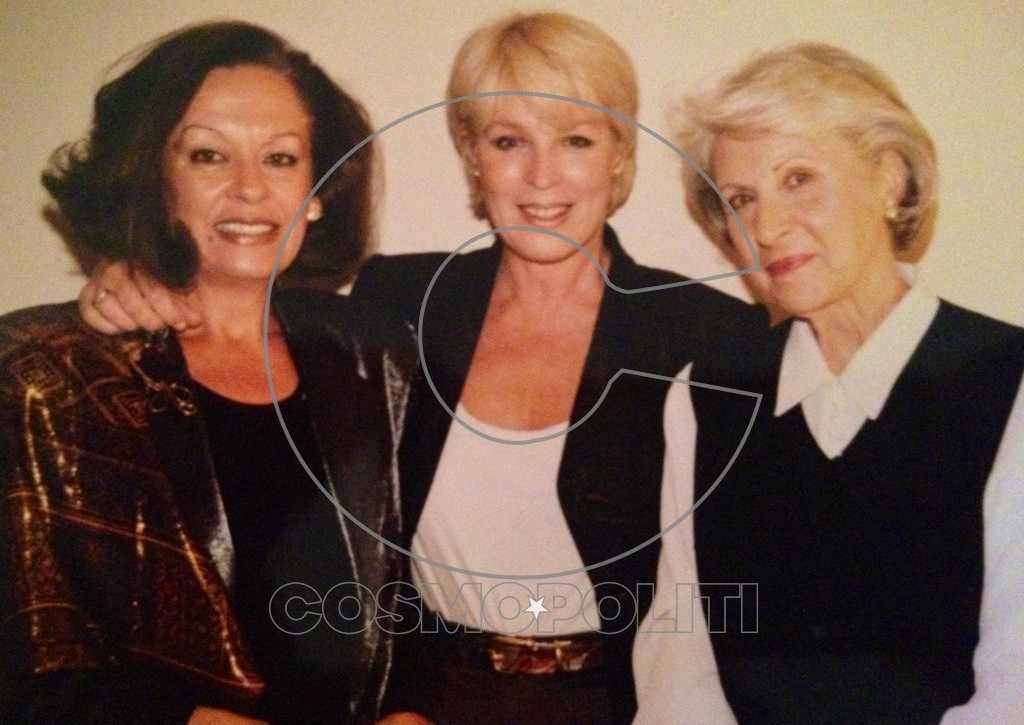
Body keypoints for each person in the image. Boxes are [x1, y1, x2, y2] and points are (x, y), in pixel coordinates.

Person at [75, 12, 753, 724]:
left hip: (614, 703)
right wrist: (133, 272)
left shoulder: (704, 333)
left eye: (577, 140)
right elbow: (240, 303)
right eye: (508, 141)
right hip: (426, 702)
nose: (541, 174)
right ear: (471, 155)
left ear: (618, 155)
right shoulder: (398, 303)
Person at [0, 21, 415, 724]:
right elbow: (26, 660)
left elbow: (426, 588)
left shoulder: (373, 356)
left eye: (280, 158)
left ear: (317, 190)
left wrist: (414, 706)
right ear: (156, 181)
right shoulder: (46, 375)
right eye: (208, 155)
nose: (250, 189)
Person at [638, 42, 1024, 723]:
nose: (766, 227)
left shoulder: (1006, 385)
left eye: (798, 178)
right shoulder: (705, 398)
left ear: (889, 180)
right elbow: (681, 663)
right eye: (741, 199)